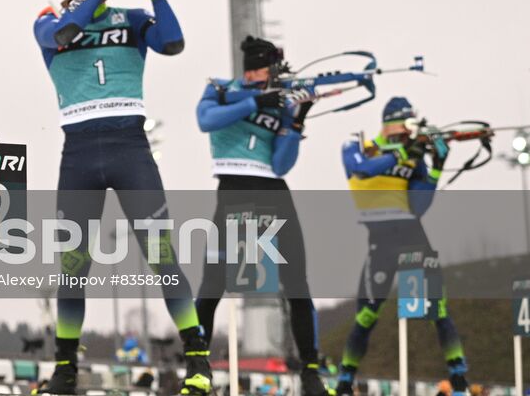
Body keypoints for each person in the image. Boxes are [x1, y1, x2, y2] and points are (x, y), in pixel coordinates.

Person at [33, 0, 210, 396]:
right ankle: (65, 368)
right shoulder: (49, 18)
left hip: (130, 144)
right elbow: (63, 35)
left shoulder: (131, 20)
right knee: (73, 265)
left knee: (162, 256)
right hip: (79, 150)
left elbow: (172, 41)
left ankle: (197, 359)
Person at [195, 36, 325, 396]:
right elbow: (206, 120)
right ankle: (196, 363)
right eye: (256, 71)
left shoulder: (280, 101)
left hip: (272, 191)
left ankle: (311, 370)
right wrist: (254, 100)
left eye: (265, 74)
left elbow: (281, 162)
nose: (260, 78)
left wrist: (296, 121)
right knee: (213, 283)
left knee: (296, 282)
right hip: (234, 187)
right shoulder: (221, 89)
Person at [334, 97, 469, 396]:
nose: (408, 132)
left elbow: (418, 206)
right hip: (380, 240)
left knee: (438, 308)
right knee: (366, 314)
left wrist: (436, 168)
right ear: (389, 123)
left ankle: (459, 378)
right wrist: (403, 154)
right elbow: (362, 170)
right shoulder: (360, 145)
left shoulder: (414, 155)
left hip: (411, 234)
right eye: (404, 125)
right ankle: (345, 380)